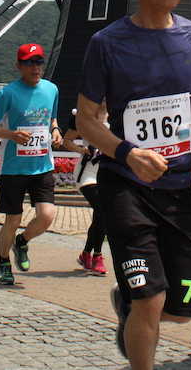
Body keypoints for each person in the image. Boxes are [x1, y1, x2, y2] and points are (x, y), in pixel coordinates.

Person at [76, 0, 191, 370]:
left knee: (179, 307)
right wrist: (127, 153)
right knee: (151, 300)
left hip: (179, 191)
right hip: (127, 188)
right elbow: (84, 120)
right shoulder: (106, 42)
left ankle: (128, 304)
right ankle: (138, 312)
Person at [0, 46, 61, 284]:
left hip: (42, 165)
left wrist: (56, 130)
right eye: (29, 63)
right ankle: (4, 261)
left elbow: (52, 118)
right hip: (14, 168)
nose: (35, 67)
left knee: (47, 215)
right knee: (12, 220)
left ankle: (22, 241)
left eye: (39, 62)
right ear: (19, 66)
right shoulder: (7, 93)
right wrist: (10, 134)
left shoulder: (51, 89)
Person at [64, 114, 107, 276]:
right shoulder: (84, 117)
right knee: (102, 209)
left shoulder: (117, 115)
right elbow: (66, 141)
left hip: (106, 174)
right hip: (87, 174)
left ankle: (86, 253)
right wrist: (81, 149)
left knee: (100, 214)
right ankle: (97, 256)